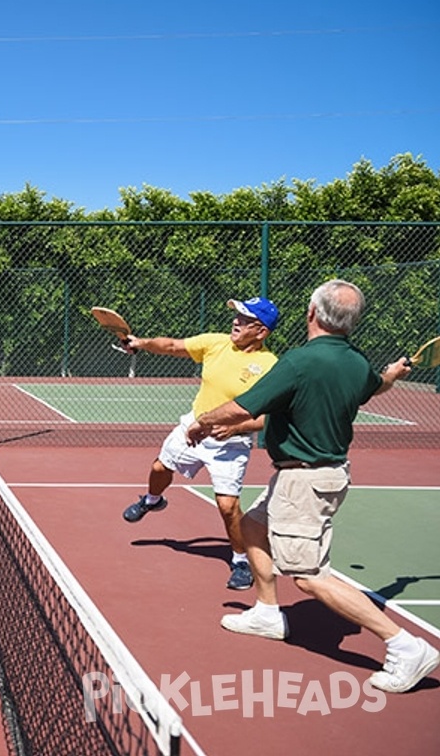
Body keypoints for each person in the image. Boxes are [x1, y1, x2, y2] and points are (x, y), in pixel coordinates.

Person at [188, 279, 438, 694]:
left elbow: (242, 407)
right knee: (252, 527)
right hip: (308, 476)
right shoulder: (357, 362)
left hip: (305, 481)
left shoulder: (298, 362)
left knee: (308, 576)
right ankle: (268, 612)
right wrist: (391, 374)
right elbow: (373, 388)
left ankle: (405, 646)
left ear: (311, 313)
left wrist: (202, 423)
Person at [120, 296, 281, 591]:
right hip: (191, 427)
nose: (236, 321)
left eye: (245, 319)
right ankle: (152, 500)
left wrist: (235, 428)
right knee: (159, 469)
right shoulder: (216, 343)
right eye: (237, 316)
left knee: (228, 506)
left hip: (231, 445)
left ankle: (240, 560)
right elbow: (173, 346)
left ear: (261, 331)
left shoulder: (270, 366)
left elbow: (271, 417)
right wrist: (140, 343)